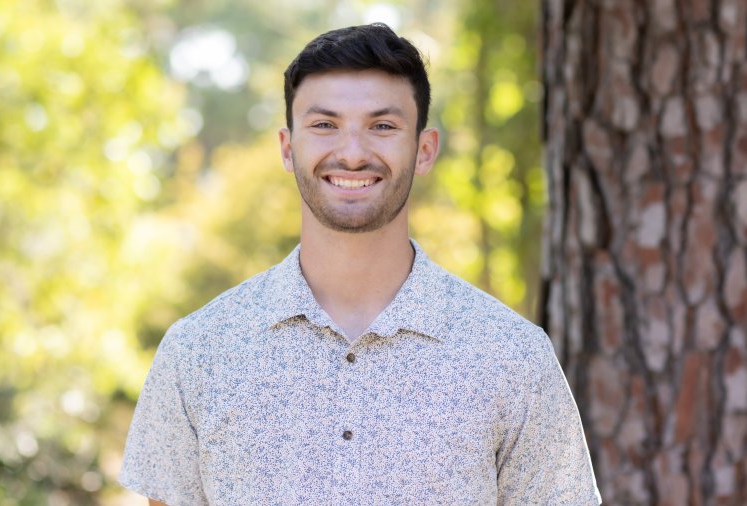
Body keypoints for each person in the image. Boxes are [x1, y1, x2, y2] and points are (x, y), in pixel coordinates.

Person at [120, 23, 601, 505]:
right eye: (325, 125)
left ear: (425, 150)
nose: (352, 154)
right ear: (288, 149)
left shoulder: (512, 356)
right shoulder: (198, 351)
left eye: (383, 126)